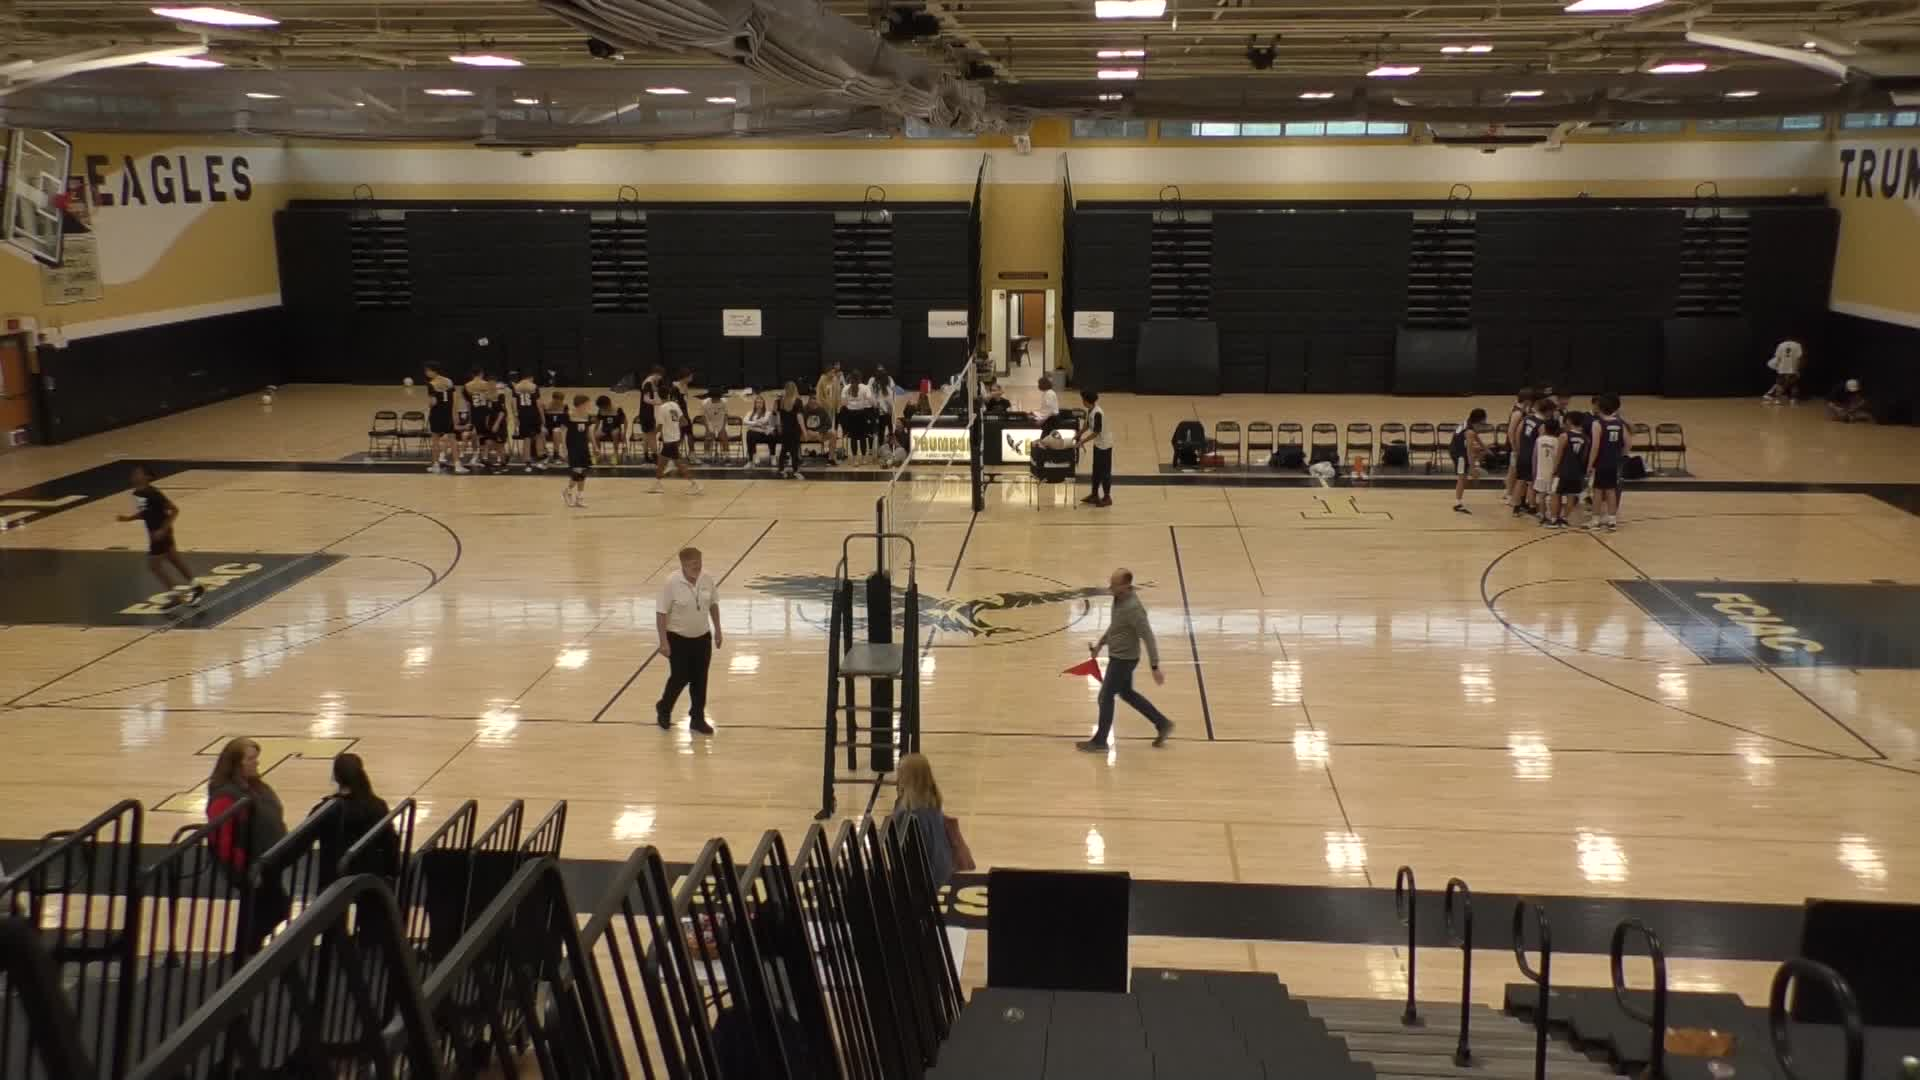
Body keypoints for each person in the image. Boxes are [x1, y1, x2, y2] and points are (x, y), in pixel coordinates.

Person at [206, 737, 290, 956]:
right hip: (252, 866)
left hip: (267, 861)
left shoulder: (255, 785)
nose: (256, 763)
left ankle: (247, 955)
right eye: (251, 759)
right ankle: (245, 957)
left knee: (265, 910)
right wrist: (245, 870)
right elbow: (223, 841)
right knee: (270, 909)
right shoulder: (225, 796)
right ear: (236, 763)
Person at [1080, 568, 1174, 752]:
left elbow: (1148, 637)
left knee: (1105, 697)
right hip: (1119, 656)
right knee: (1127, 693)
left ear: (1125, 586)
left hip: (1124, 660)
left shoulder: (1134, 609)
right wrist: (1100, 644)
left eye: (1114, 585)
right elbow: (1116, 626)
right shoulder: (1119, 599)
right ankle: (1162, 723)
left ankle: (1100, 742)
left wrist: (1155, 666)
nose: (1110, 588)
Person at [118, 463, 206, 608]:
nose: (134, 475)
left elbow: (174, 510)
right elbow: (146, 512)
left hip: (160, 533)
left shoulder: (153, 493)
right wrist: (128, 519)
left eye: (138, 473)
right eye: (134, 473)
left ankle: (175, 596)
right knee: (174, 560)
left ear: (147, 477)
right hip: (157, 533)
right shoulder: (138, 493)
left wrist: (162, 530)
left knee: (153, 566)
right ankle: (196, 586)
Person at [657, 546, 721, 735]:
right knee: (680, 677)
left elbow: (713, 604)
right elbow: (661, 613)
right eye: (693, 564)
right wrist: (663, 642)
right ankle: (664, 708)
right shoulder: (671, 583)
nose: (698, 567)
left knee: (700, 679)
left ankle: (697, 718)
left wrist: (718, 629)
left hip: (702, 638)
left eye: (699, 562)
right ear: (683, 564)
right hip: (678, 639)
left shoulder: (707, 578)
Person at [889, 754, 974, 887]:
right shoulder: (933, 803)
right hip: (943, 869)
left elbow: (896, 851)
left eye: (900, 773)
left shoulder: (906, 812)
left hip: (924, 878)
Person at [316, 753, 397, 887]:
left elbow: (302, 838)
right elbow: (390, 842)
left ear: (336, 777)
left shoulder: (324, 809)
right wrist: (392, 871)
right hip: (369, 878)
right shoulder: (377, 806)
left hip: (332, 879)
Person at [1587, 393, 1627, 532]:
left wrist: (1590, 464)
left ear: (1600, 408)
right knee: (1611, 490)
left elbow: (1595, 446)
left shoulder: (1598, 424)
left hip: (1601, 462)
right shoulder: (1619, 423)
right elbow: (1627, 444)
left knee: (1597, 491)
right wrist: (1619, 455)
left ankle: (1595, 519)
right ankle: (1612, 520)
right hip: (1613, 462)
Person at [651, 391, 703, 495]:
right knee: (661, 462)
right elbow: (684, 422)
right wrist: (674, 428)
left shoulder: (662, 408)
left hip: (669, 440)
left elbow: (660, 426)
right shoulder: (675, 405)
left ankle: (695, 484)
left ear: (658, 397)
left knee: (679, 464)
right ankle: (657, 484)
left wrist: (652, 434)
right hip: (675, 437)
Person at [1511, 396, 1553, 517]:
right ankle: (1532, 506)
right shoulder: (1542, 425)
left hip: (1522, 454)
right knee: (1531, 482)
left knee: (1520, 480)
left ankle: (1516, 507)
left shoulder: (1527, 418)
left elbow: (1518, 432)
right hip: (1532, 457)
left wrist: (1519, 449)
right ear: (1548, 411)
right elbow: (1542, 442)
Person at [1550, 411, 1590, 529]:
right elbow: (1584, 457)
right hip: (1576, 472)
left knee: (1556, 494)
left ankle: (1553, 519)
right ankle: (1564, 518)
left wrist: (1554, 470)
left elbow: (1559, 455)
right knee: (1571, 496)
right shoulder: (1586, 439)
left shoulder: (1564, 436)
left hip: (1563, 471)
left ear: (1569, 421)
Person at [1075, 389, 1113, 507]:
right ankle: (1094, 494)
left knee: (1105, 472)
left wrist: (1082, 441)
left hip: (1105, 446)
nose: (1082, 401)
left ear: (1086, 401)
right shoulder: (1090, 410)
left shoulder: (1097, 413)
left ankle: (1107, 497)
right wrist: (1079, 433)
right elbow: (1087, 425)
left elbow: (1096, 432)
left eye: (1082, 399)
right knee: (1096, 470)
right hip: (1098, 445)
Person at [425, 365, 465, 474]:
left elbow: (433, 402)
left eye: (427, 371)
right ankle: (457, 465)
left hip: (436, 414)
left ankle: (436, 465)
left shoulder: (431, 384)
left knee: (435, 440)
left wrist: (429, 404)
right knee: (452, 440)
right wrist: (455, 413)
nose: (426, 373)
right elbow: (454, 398)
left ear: (433, 371)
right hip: (448, 414)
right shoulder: (449, 381)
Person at [1450, 408, 1488, 514]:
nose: (1485, 422)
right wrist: (1473, 469)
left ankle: (1474, 472)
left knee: (1478, 451)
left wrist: (1485, 448)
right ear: (1480, 420)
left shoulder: (1468, 423)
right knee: (1462, 478)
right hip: (1459, 454)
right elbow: (1469, 452)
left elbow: (1476, 436)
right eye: (1484, 420)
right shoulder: (1469, 431)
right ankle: (1458, 504)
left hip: (1457, 449)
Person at [1503, 387, 1535, 507]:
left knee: (1513, 470)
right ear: (1527, 399)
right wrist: (1515, 448)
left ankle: (1508, 492)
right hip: (1514, 445)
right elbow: (1511, 431)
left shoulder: (1520, 409)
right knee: (1513, 471)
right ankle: (1509, 494)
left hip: (1516, 445)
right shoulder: (1517, 412)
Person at [563, 393, 593, 508]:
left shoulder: (587, 416)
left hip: (583, 446)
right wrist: (564, 448)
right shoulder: (569, 416)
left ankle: (579, 497)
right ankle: (568, 492)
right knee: (577, 472)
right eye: (587, 403)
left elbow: (589, 432)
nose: (589, 405)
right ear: (581, 404)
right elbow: (563, 432)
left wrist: (594, 446)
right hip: (573, 446)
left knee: (583, 472)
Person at [511, 371, 543, 472]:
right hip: (533, 414)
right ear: (531, 377)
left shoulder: (516, 387)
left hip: (522, 415)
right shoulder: (534, 386)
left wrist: (516, 416)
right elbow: (538, 403)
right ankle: (539, 461)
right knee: (538, 436)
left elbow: (513, 403)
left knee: (526, 438)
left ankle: (527, 464)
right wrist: (542, 417)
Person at [1532, 416, 1562, 525]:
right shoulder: (1558, 441)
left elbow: (1534, 457)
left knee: (1542, 495)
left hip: (1541, 472)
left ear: (1544, 428)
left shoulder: (1539, 440)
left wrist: (1534, 471)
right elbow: (1560, 457)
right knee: (1553, 495)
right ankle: (1553, 516)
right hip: (1553, 473)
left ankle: (1542, 515)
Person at [815, 363, 844, 462]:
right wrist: (823, 405)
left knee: (831, 429)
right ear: (827, 372)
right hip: (823, 409)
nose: (833, 374)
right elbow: (819, 395)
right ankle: (823, 449)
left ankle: (831, 450)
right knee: (823, 429)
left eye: (833, 372)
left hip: (832, 409)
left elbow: (838, 393)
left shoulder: (835, 380)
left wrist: (838, 405)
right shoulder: (822, 380)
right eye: (831, 372)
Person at [637, 365, 666, 463]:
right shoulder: (648, 383)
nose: (661, 378)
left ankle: (646, 455)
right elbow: (646, 399)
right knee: (652, 435)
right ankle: (655, 456)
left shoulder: (652, 382)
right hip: (647, 413)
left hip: (647, 412)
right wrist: (659, 402)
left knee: (646, 435)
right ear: (656, 374)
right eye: (660, 376)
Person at [776, 382, 805, 479]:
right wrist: (804, 431)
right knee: (794, 450)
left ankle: (781, 469)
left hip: (785, 429)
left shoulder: (781, 401)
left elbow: (778, 416)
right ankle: (795, 470)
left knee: (784, 449)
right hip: (795, 429)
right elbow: (799, 417)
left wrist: (779, 426)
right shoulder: (798, 401)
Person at [1764, 339, 1804, 405]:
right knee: (1794, 384)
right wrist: (1797, 369)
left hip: (1782, 368)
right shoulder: (1797, 345)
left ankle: (1777, 400)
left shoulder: (1781, 345)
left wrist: (1777, 366)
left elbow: (1778, 357)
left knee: (1780, 384)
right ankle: (1793, 399)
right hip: (1793, 368)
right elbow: (1799, 358)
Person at [744, 393, 778, 465]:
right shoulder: (750, 413)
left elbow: (766, 422)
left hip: (766, 435)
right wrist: (757, 424)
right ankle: (753, 457)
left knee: (772, 433)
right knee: (749, 433)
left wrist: (754, 425)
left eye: (761, 402)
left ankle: (773, 456)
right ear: (755, 404)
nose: (759, 404)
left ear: (763, 404)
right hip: (756, 435)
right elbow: (745, 421)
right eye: (757, 402)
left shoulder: (768, 413)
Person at [593, 394, 628, 462]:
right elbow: (597, 422)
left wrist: (624, 432)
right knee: (596, 435)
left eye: (603, 407)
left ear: (608, 404)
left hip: (615, 427)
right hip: (605, 429)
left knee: (615, 433)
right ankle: (598, 453)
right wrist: (594, 431)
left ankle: (615, 453)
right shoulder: (601, 410)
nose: (602, 408)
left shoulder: (618, 409)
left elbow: (625, 422)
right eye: (601, 407)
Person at [701, 386, 731, 463]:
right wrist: (707, 429)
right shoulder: (705, 403)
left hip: (721, 422)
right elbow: (703, 417)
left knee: (724, 437)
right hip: (710, 422)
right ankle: (707, 456)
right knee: (708, 437)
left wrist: (723, 428)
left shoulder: (724, 402)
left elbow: (726, 415)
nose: (717, 399)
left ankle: (727, 456)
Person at [543, 389, 570, 468]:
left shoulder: (565, 406)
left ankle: (556, 454)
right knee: (541, 432)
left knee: (557, 431)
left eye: (561, 400)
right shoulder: (547, 407)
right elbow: (543, 420)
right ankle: (543, 454)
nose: (560, 402)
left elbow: (567, 420)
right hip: (548, 428)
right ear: (553, 399)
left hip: (560, 429)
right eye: (558, 400)